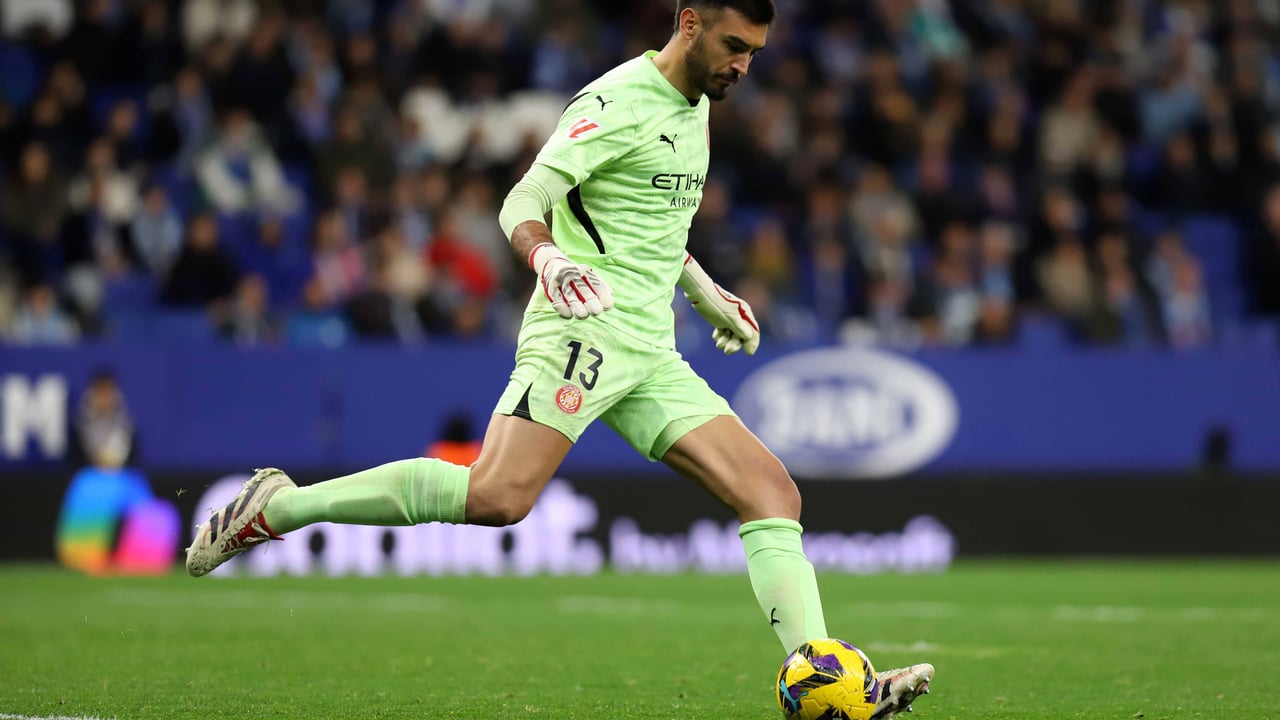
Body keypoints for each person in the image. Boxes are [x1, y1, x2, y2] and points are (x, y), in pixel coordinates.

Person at [184, 2, 934, 717]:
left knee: (771, 493)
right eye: (735, 47)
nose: (743, 66)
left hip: (650, 350)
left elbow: (649, 224)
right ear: (690, 25)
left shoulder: (699, 103)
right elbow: (522, 200)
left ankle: (829, 683)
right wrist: (548, 260)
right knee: (498, 496)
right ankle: (278, 507)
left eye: (754, 53)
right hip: (580, 331)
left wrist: (706, 293)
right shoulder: (616, 102)